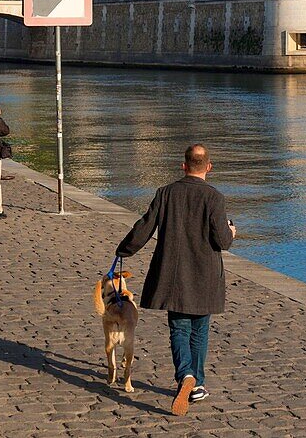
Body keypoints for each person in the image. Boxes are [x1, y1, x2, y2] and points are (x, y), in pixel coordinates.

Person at [116, 144, 236, 416]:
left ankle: (185, 376)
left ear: (183, 166)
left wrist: (124, 250)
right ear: (209, 166)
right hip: (205, 276)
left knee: (179, 329)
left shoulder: (166, 193)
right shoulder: (214, 198)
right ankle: (197, 382)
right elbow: (222, 241)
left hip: (173, 274)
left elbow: (144, 227)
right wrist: (231, 231)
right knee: (200, 331)